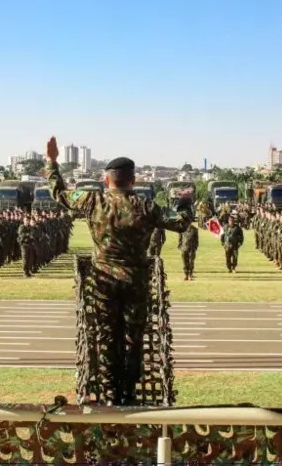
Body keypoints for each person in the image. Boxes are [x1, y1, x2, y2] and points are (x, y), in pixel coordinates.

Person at [45, 136, 190, 406]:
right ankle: (129, 392)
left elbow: (60, 195)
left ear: (106, 180)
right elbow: (180, 223)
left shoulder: (92, 200)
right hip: (135, 282)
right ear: (133, 180)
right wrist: (186, 204)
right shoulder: (146, 206)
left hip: (103, 282)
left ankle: (110, 393)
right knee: (132, 340)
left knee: (105, 336)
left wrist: (52, 162)